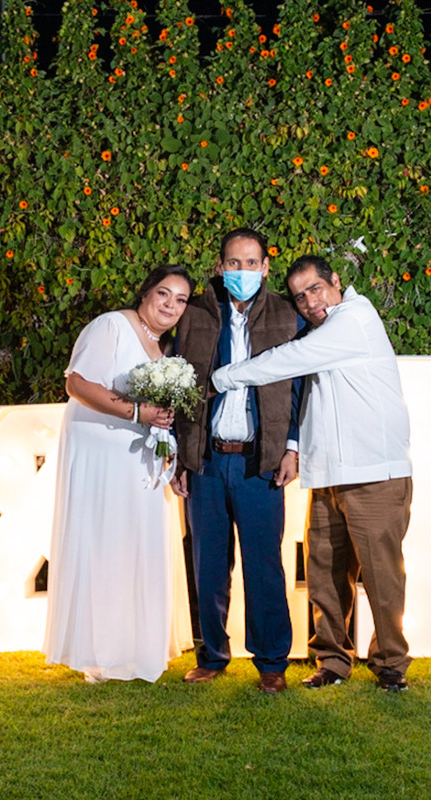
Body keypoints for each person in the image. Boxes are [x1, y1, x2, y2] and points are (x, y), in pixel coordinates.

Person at [211, 255, 413, 692]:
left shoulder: (354, 318)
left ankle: (390, 663)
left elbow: (289, 359)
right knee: (325, 574)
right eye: (300, 297)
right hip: (328, 477)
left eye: (315, 289)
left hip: (374, 473)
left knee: (382, 575)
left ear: (336, 281)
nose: (308, 302)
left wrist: (222, 378)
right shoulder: (322, 329)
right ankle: (333, 661)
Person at [43, 265, 195, 683]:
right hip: (101, 450)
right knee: (105, 542)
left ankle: (134, 648)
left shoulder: (164, 348)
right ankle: (99, 654)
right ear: (145, 293)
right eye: (163, 293)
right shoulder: (111, 326)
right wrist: (137, 412)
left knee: (136, 542)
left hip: (139, 457)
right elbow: (77, 384)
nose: (170, 305)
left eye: (181, 300)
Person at [171, 228, 301, 694]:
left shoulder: (288, 316)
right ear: (220, 266)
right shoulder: (196, 315)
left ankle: (271, 661)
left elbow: (301, 387)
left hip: (259, 462)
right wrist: (180, 454)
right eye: (233, 263)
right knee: (208, 565)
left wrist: (292, 446)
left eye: (250, 263)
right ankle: (212, 655)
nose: (241, 271)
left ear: (265, 267)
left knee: (264, 565)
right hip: (207, 460)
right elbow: (177, 384)